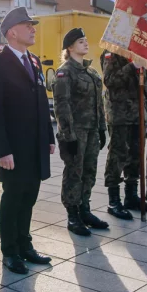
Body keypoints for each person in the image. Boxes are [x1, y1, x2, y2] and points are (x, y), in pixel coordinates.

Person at [0, 7, 55, 274]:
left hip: (35, 144)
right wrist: (3, 150)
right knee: (13, 196)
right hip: (13, 147)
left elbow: (41, 102)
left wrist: (49, 136)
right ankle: (10, 251)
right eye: (28, 25)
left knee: (29, 196)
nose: (33, 29)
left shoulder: (34, 61)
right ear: (12, 32)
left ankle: (26, 246)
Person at [53, 27, 109, 236]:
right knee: (74, 173)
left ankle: (85, 208)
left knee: (89, 171)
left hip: (92, 131)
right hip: (76, 133)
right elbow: (62, 105)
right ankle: (72, 214)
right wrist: (68, 136)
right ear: (70, 47)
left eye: (86, 40)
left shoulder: (91, 72)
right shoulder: (65, 72)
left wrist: (102, 129)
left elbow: (99, 104)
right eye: (80, 41)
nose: (86, 44)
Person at [103, 49, 147, 215]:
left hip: (137, 113)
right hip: (120, 114)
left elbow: (145, 85)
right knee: (118, 155)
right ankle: (114, 200)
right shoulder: (111, 53)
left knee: (137, 154)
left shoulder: (138, 52)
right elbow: (110, 80)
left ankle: (131, 196)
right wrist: (132, 66)